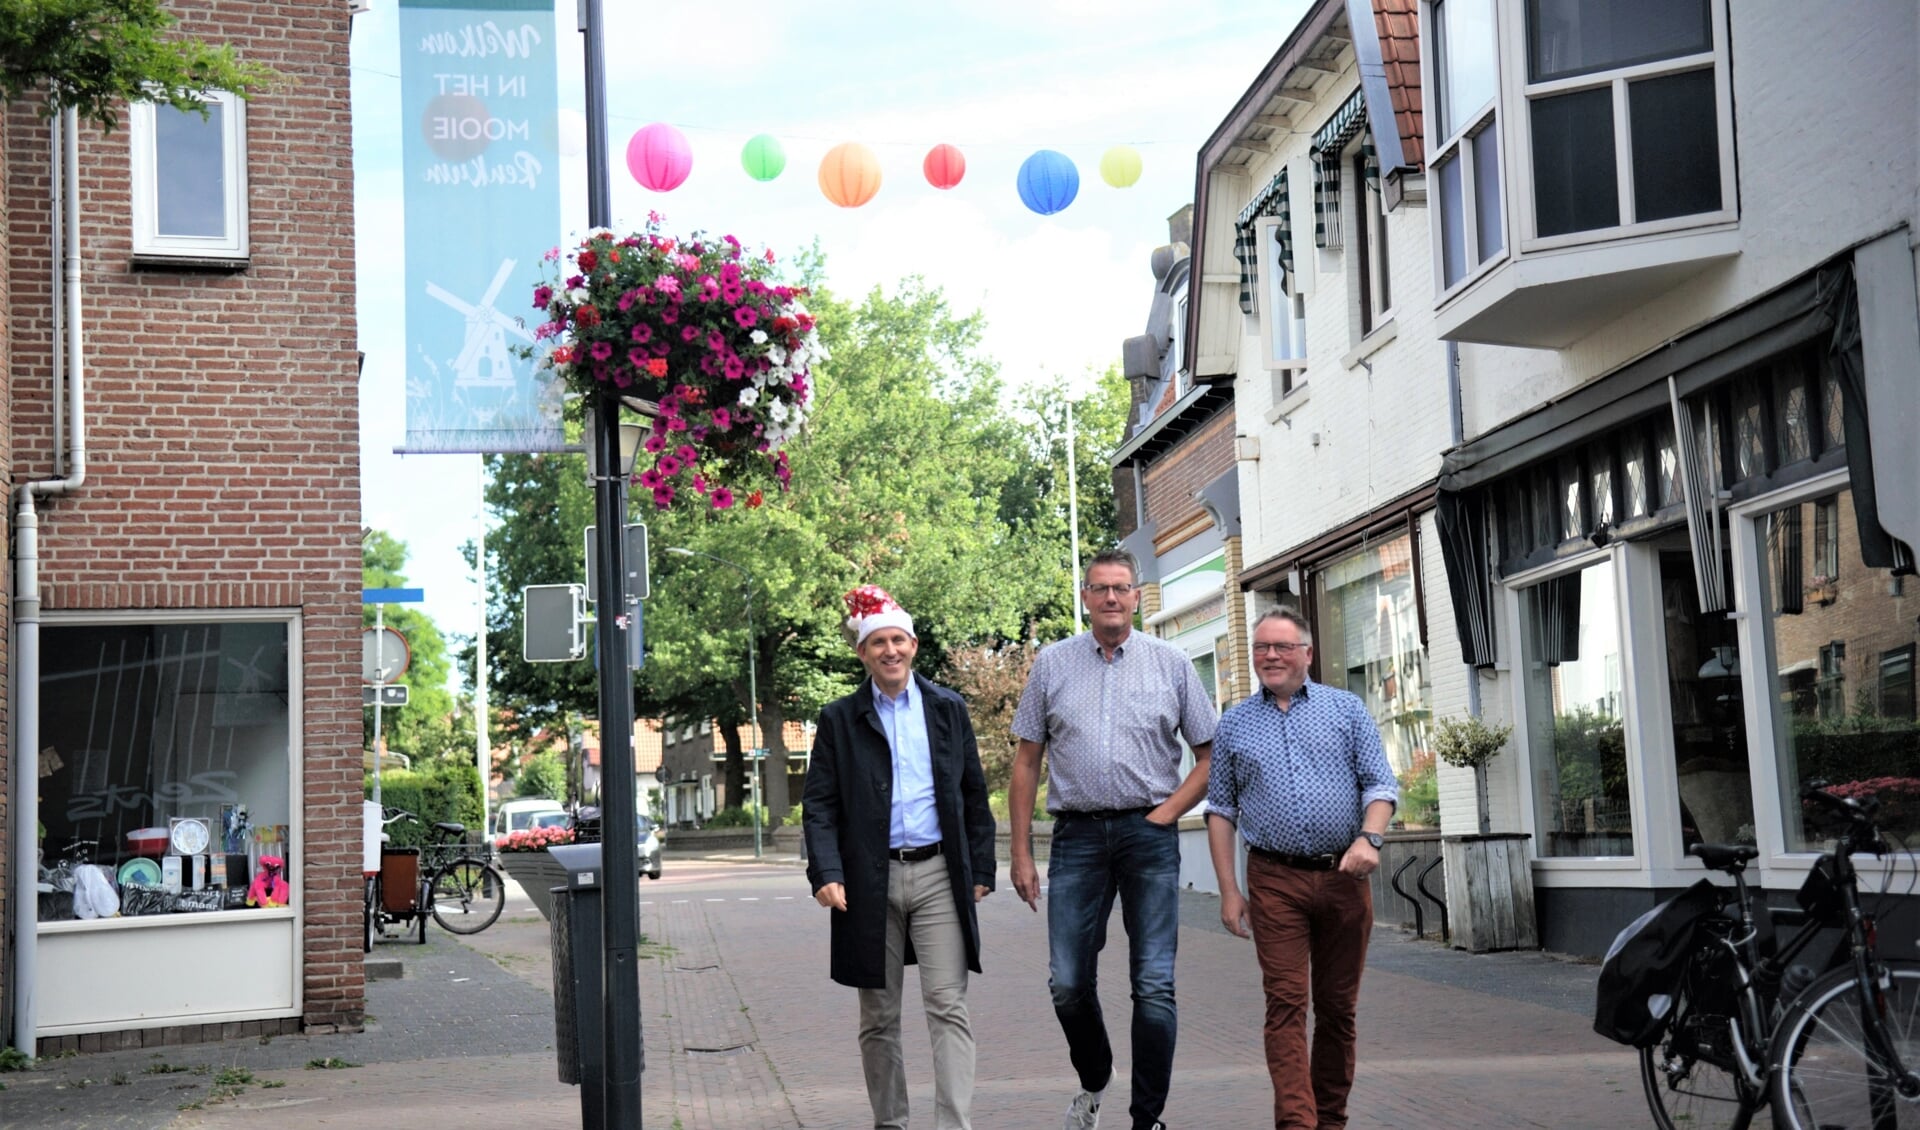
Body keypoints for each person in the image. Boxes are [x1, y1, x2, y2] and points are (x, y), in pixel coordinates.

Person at [1009, 548, 1217, 1130]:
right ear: (1085, 597)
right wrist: (1020, 852)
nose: (1110, 598)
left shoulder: (1171, 663)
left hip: (1147, 832)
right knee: (1067, 982)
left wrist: (1167, 812)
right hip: (1075, 836)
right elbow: (1027, 762)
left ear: (1136, 596)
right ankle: (1096, 1079)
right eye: (1099, 588)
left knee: (1152, 983)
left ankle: (1147, 1119)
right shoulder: (1052, 664)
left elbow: (1209, 756)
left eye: (1121, 588)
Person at [803, 585, 997, 1130]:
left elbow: (973, 793)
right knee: (880, 1017)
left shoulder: (947, 709)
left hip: (938, 874)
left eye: (898, 640)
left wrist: (981, 868)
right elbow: (818, 805)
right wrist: (826, 872)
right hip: (868, 881)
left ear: (913, 645)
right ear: (862, 653)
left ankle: (953, 1125)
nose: (890, 651)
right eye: (878, 643)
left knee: (948, 1005)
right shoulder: (840, 719)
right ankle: (892, 1122)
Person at [1204, 606, 1398, 1130]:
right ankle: (1297, 1124)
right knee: (1286, 1003)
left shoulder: (1346, 710)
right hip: (1274, 880)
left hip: (1343, 878)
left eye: (1282, 647)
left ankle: (1330, 1119)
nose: (1269, 655)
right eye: (1262, 647)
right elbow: (1220, 809)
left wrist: (1369, 838)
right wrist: (1229, 890)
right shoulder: (1235, 724)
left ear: (1307, 654)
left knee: (1337, 1008)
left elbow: (1381, 786)